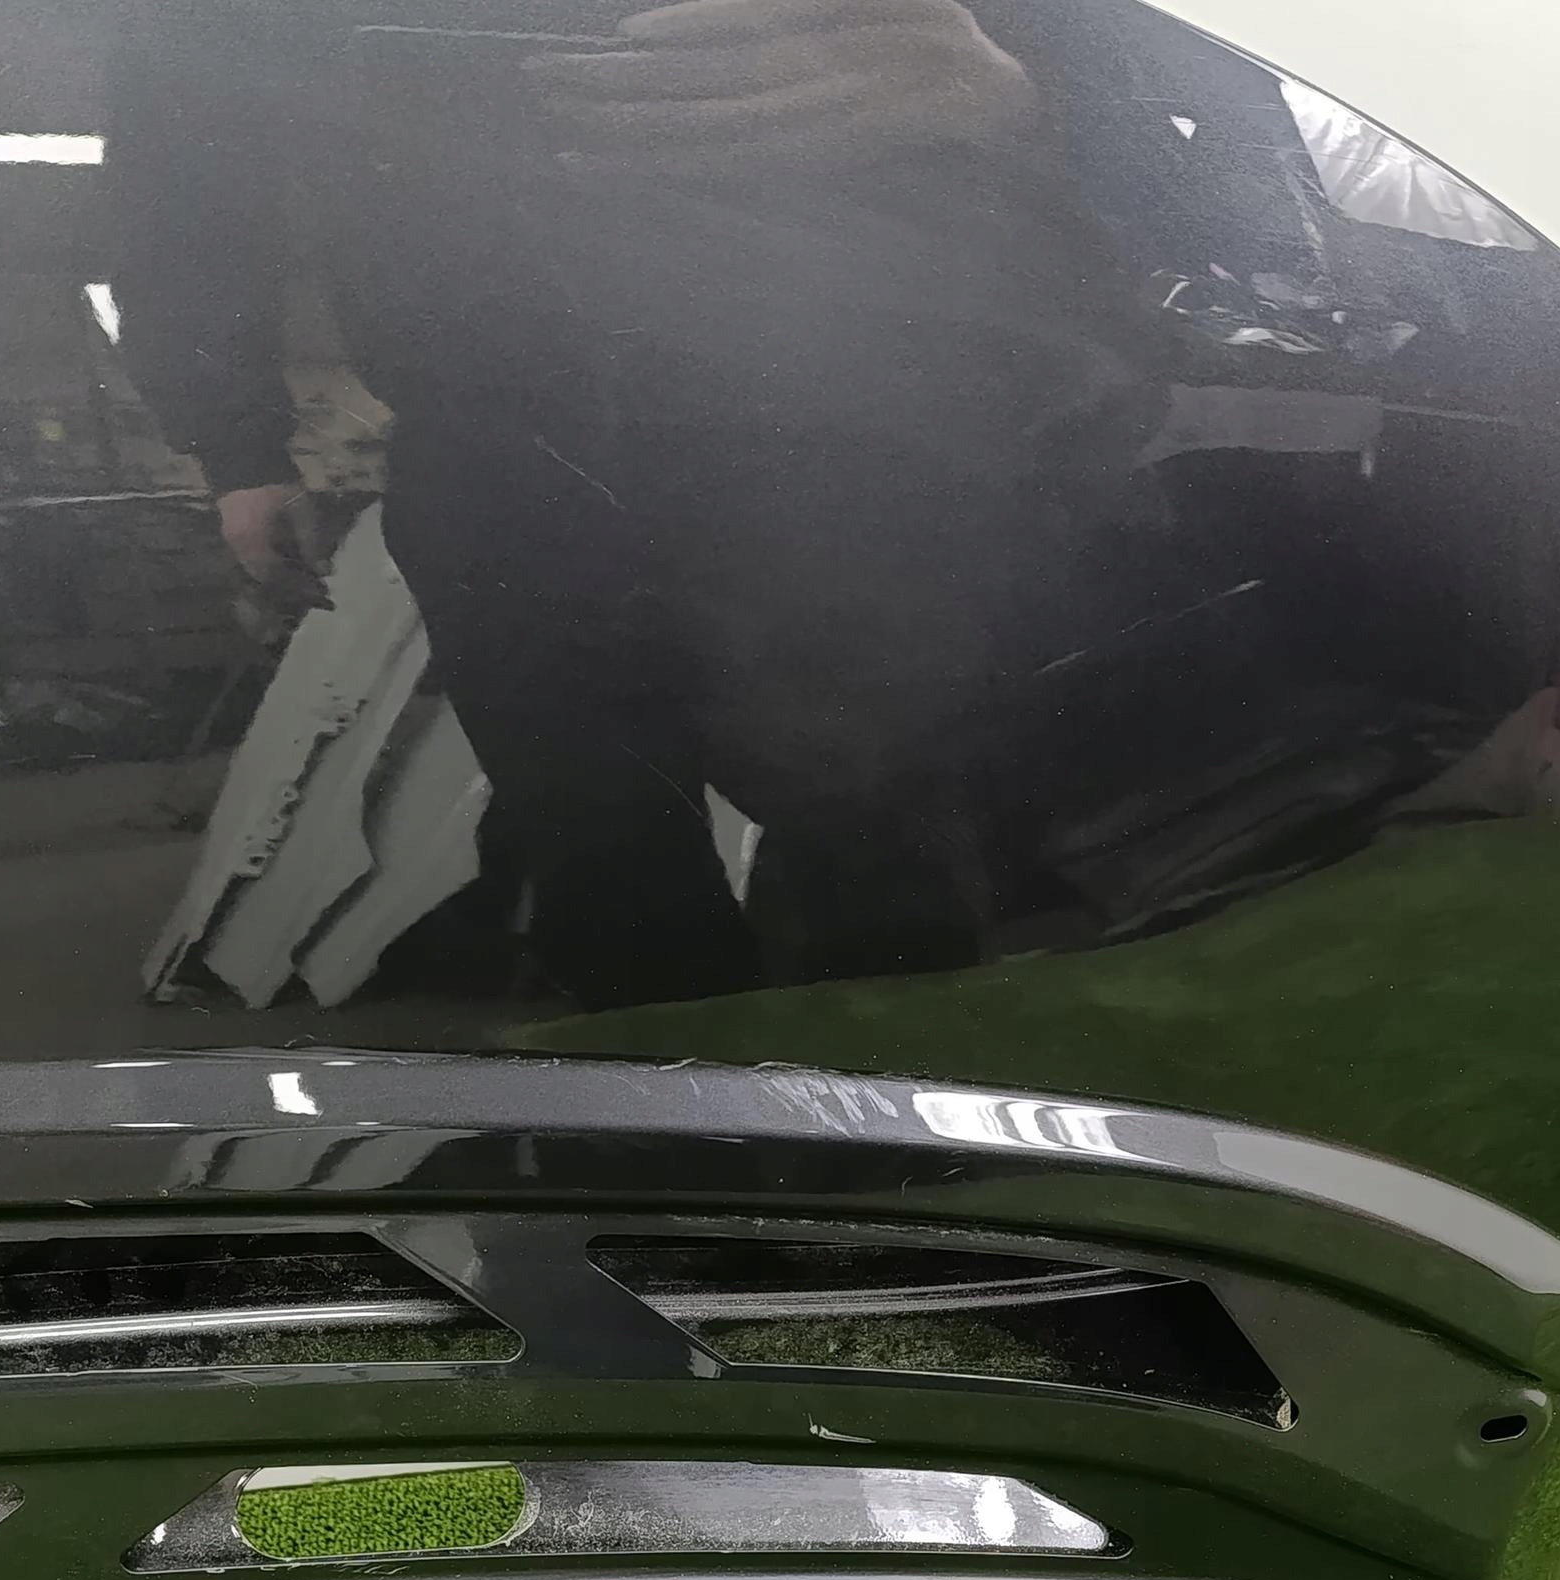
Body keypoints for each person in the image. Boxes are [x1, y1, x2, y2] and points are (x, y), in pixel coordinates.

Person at [106, 0, 1167, 1007]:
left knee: (878, 838)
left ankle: (895, 1110)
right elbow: (185, 138)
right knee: (606, 857)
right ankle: (696, 1100)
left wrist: (1022, 92)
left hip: (836, 414)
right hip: (506, 428)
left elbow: (1154, 110)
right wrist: (233, 437)